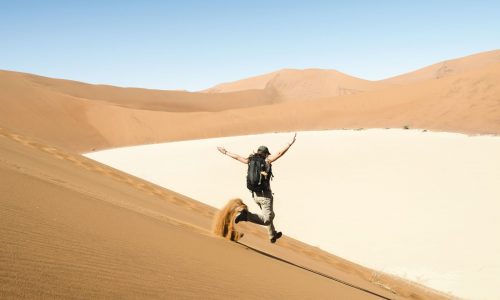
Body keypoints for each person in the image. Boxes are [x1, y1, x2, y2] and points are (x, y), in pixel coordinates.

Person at [217, 133, 297, 243]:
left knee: (269, 215)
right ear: (265, 154)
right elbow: (279, 153)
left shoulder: (250, 160)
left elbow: (237, 157)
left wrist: (225, 152)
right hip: (265, 196)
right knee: (267, 218)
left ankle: (272, 234)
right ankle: (246, 216)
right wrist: (290, 143)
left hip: (255, 195)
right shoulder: (266, 161)